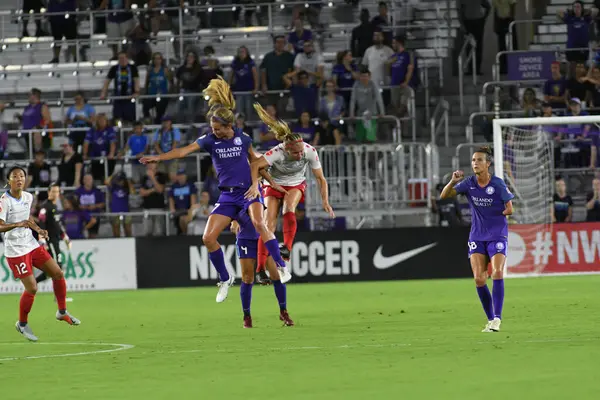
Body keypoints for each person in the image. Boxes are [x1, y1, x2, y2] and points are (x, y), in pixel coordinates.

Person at [140, 76, 291, 303]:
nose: (215, 132)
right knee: (208, 237)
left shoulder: (243, 139)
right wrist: (157, 158)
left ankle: (280, 266)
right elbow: (183, 151)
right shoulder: (210, 140)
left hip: (249, 192)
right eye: (212, 128)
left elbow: (256, 164)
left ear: (229, 126)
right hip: (228, 195)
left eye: (218, 129)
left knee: (260, 224)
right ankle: (225, 277)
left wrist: (267, 182)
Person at [249, 103, 334, 282]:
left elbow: (321, 178)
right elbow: (255, 165)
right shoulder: (277, 152)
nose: (299, 155)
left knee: (289, 208)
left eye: (301, 151)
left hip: (295, 184)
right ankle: (260, 269)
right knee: (267, 225)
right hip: (273, 185)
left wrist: (325, 201)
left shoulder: (309, 151)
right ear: (286, 149)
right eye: (295, 153)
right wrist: (256, 184)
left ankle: (286, 248)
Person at [0, 166, 80, 342]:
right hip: (15, 250)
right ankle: (22, 323)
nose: (19, 179)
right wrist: (17, 224)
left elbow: (28, 219)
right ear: (9, 181)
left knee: (57, 273)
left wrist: (38, 229)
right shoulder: (4, 201)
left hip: (31, 244)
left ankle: (62, 311)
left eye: (22, 176)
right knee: (32, 287)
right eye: (15, 176)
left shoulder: (28, 197)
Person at [440, 146, 514, 333]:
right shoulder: (468, 183)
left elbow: (510, 208)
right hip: (477, 236)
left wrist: (496, 216)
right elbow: (443, 196)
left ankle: (497, 318)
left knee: (497, 272)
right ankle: (490, 320)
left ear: (487, 164)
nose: (475, 163)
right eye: (473, 160)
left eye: (479, 160)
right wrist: (452, 182)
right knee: (479, 279)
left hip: (497, 234)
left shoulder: (497, 184)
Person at [230, 210, 294, 328]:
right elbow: (231, 205)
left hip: (264, 237)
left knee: (276, 275)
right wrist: (233, 219)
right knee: (248, 278)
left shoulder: (262, 192)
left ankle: (283, 311)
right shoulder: (239, 192)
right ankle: (247, 316)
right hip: (245, 238)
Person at [35, 183, 72, 288]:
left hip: (56, 240)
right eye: (53, 191)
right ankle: (59, 297)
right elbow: (41, 222)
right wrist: (42, 239)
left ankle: (33, 283)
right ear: (48, 192)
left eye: (57, 191)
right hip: (50, 241)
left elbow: (57, 224)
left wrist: (65, 237)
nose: (55, 194)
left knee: (53, 271)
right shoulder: (45, 207)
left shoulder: (55, 207)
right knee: (57, 269)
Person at [74, 174, 105, 238]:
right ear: (83, 181)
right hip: (82, 216)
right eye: (86, 179)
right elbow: (74, 203)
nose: (88, 181)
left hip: (94, 215)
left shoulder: (97, 191)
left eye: (90, 179)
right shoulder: (78, 191)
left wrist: (95, 206)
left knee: (93, 234)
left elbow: (102, 204)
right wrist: (79, 206)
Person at [168, 169, 197, 235]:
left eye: (183, 175)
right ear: (177, 177)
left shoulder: (190, 185)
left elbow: (193, 199)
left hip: (187, 210)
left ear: (186, 176)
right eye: (179, 175)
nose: (181, 177)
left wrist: (191, 210)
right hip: (178, 211)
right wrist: (172, 209)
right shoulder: (174, 186)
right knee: (181, 219)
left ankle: (185, 235)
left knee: (184, 219)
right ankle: (184, 235)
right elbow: (171, 198)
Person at [106, 170, 134, 237]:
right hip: (115, 211)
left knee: (128, 230)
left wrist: (128, 181)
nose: (120, 182)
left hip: (126, 211)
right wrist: (114, 175)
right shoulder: (113, 187)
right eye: (119, 180)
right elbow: (106, 182)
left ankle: (129, 243)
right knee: (116, 232)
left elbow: (133, 192)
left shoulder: (126, 188)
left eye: (122, 180)